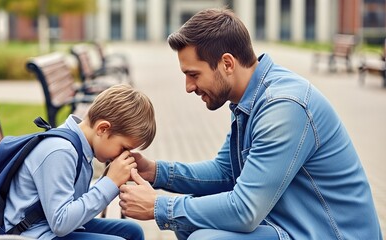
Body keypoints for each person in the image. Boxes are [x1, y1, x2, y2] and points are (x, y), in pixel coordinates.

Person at [119, 8, 383, 240]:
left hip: (329, 233)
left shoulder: (283, 107)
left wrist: (159, 206)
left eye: (193, 74)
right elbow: (225, 173)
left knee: (204, 235)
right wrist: (154, 172)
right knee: (190, 225)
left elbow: (245, 210)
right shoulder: (251, 99)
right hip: (291, 226)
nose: (189, 87)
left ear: (227, 63)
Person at [4, 84, 156, 240]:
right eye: (124, 147)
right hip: (30, 234)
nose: (125, 154)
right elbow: (61, 223)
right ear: (103, 129)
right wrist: (110, 182)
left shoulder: (83, 147)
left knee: (132, 231)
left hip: (49, 227)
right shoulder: (61, 151)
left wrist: (111, 181)